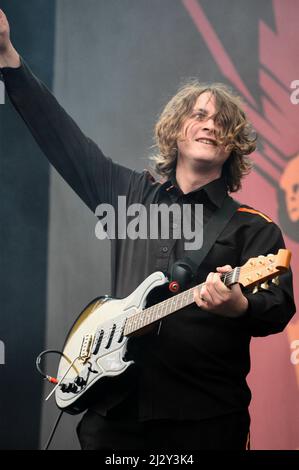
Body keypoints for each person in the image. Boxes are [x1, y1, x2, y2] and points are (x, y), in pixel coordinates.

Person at [0, 9, 296, 450]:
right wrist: (8, 57)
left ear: (234, 145)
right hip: (113, 418)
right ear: (175, 131)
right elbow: (63, 140)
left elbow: (277, 306)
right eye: (198, 115)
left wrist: (238, 306)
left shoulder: (253, 228)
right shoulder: (128, 194)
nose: (210, 124)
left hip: (204, 422)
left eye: (223, 123)